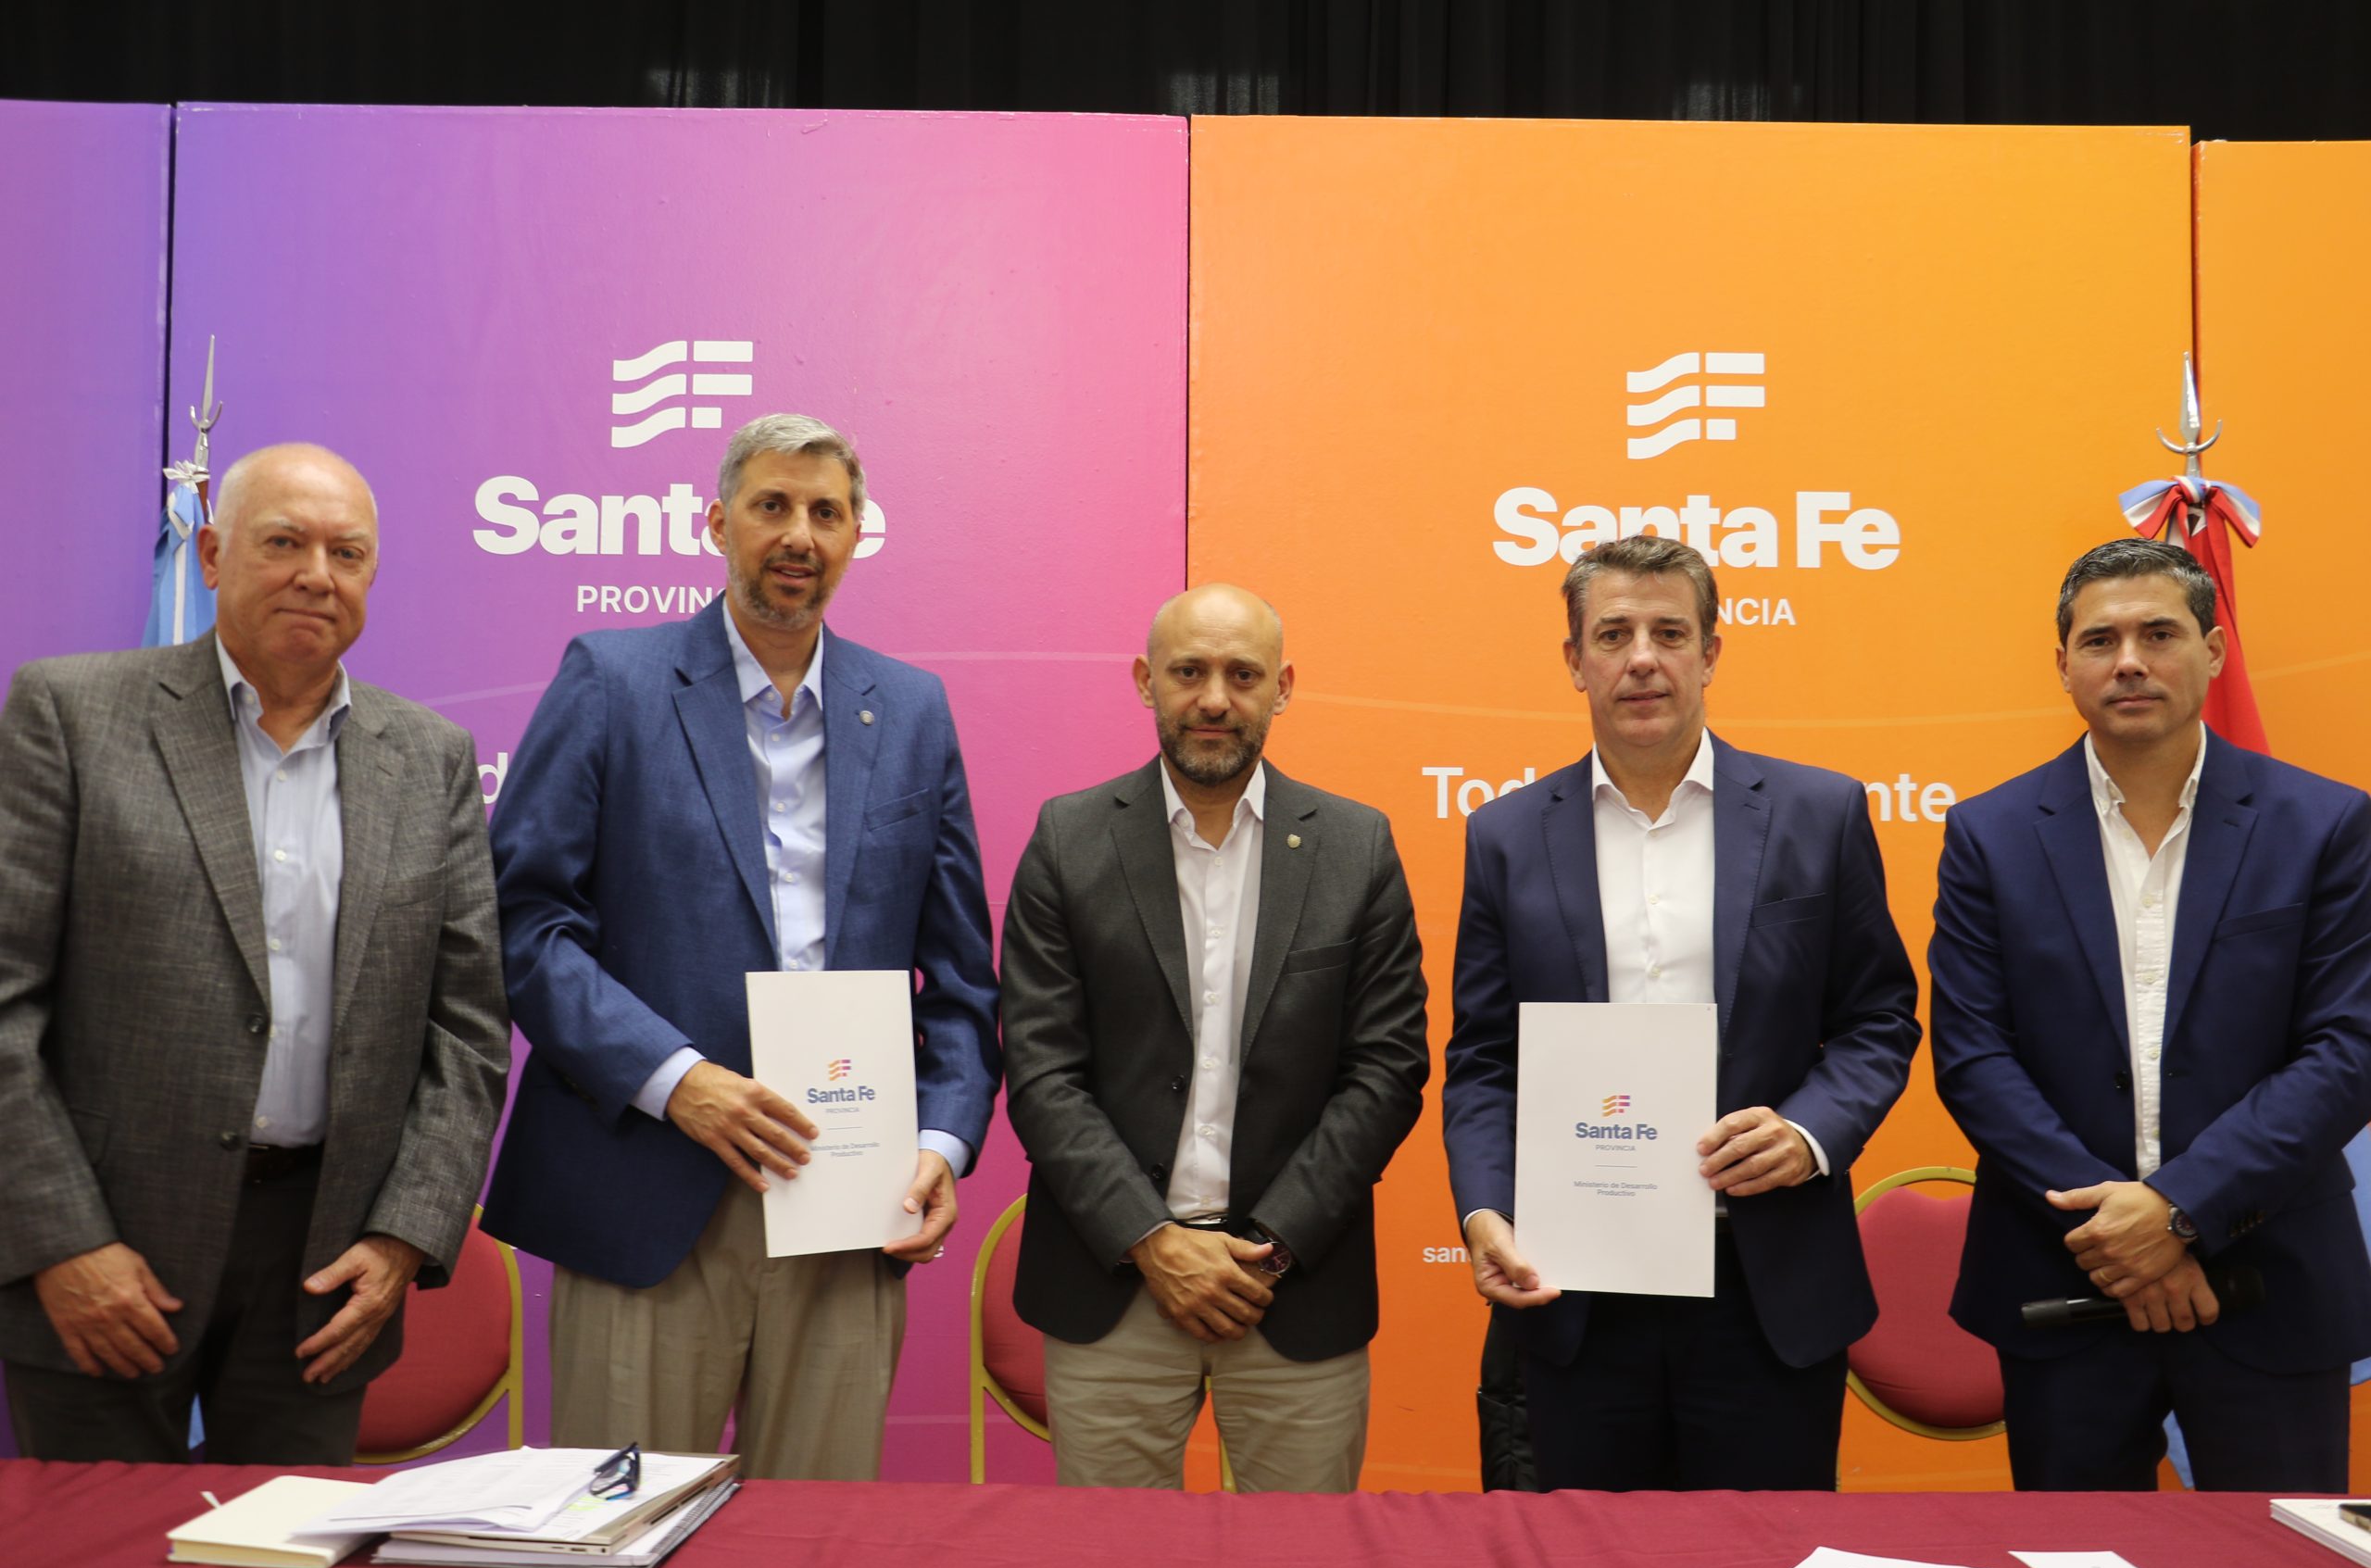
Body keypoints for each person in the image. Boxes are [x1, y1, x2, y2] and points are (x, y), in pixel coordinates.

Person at [483, 412, 998, 1481]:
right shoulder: (612, 679)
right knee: (619, 1529)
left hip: (847, 1203)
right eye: (772, 506)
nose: (799, 534)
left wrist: (940, 1146)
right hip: (645, 1187)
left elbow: (959, 982)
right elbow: (523, 922)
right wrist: (677, 1082)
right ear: (718, 524)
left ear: (856, 533)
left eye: (826, 512)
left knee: (818, 1541)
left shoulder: (911, 711)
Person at [0, 443, 510, 1463]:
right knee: (94, 1543)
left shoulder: (430, 759)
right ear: (211, 555)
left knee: (283, 1543)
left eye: (346, 553)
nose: (317, 574)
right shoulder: (72, 714)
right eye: (283, 543)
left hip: (321, 1274)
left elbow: (468, 1031)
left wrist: (402, 1235)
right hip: (110, 1256)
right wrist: (63, 1240)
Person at [1440, 533, 1919, 1491]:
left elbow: (1880, 1019)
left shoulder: (1818, 812)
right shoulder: (1505, 836)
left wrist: (1809, 1133)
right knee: (1588, 1553)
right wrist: (1485, 1207)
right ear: (1574, 659)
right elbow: (1486, 1058)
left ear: (1711, 652)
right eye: (1612, 634)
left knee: (1763, 1552)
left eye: (1669, 632)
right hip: (1579, 1290)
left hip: (1765, 1282)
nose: (1642, 659)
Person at [1930, 536, 2371, 1492]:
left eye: (2159, 634)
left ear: (2213, 650)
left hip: (2267, 1280)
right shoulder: (1988, 834)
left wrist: (2178, 1212)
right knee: (2075, 1556)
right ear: (2063, 665)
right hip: (2063, 1276)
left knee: (2273, 1557)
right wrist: (2119, 1233)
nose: (2128, 661)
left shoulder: (2327, 824)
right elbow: (1973, 1056)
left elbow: (2347, 1051)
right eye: (2100, 641)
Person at [1000, 583, 1428, 1492]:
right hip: (1114, 1287)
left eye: (1243, 675)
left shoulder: (1357, 847)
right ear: (1144, 681)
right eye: (1188, 672)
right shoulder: (1068, 840)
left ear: (1283, 688)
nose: (1213, 699)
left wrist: (1272, 1242)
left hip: (1293, 1290)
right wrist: (1153, 1240)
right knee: (1113, 1557)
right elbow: (1041, 1072)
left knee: (1302, 1558)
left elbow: (1387, 1070)